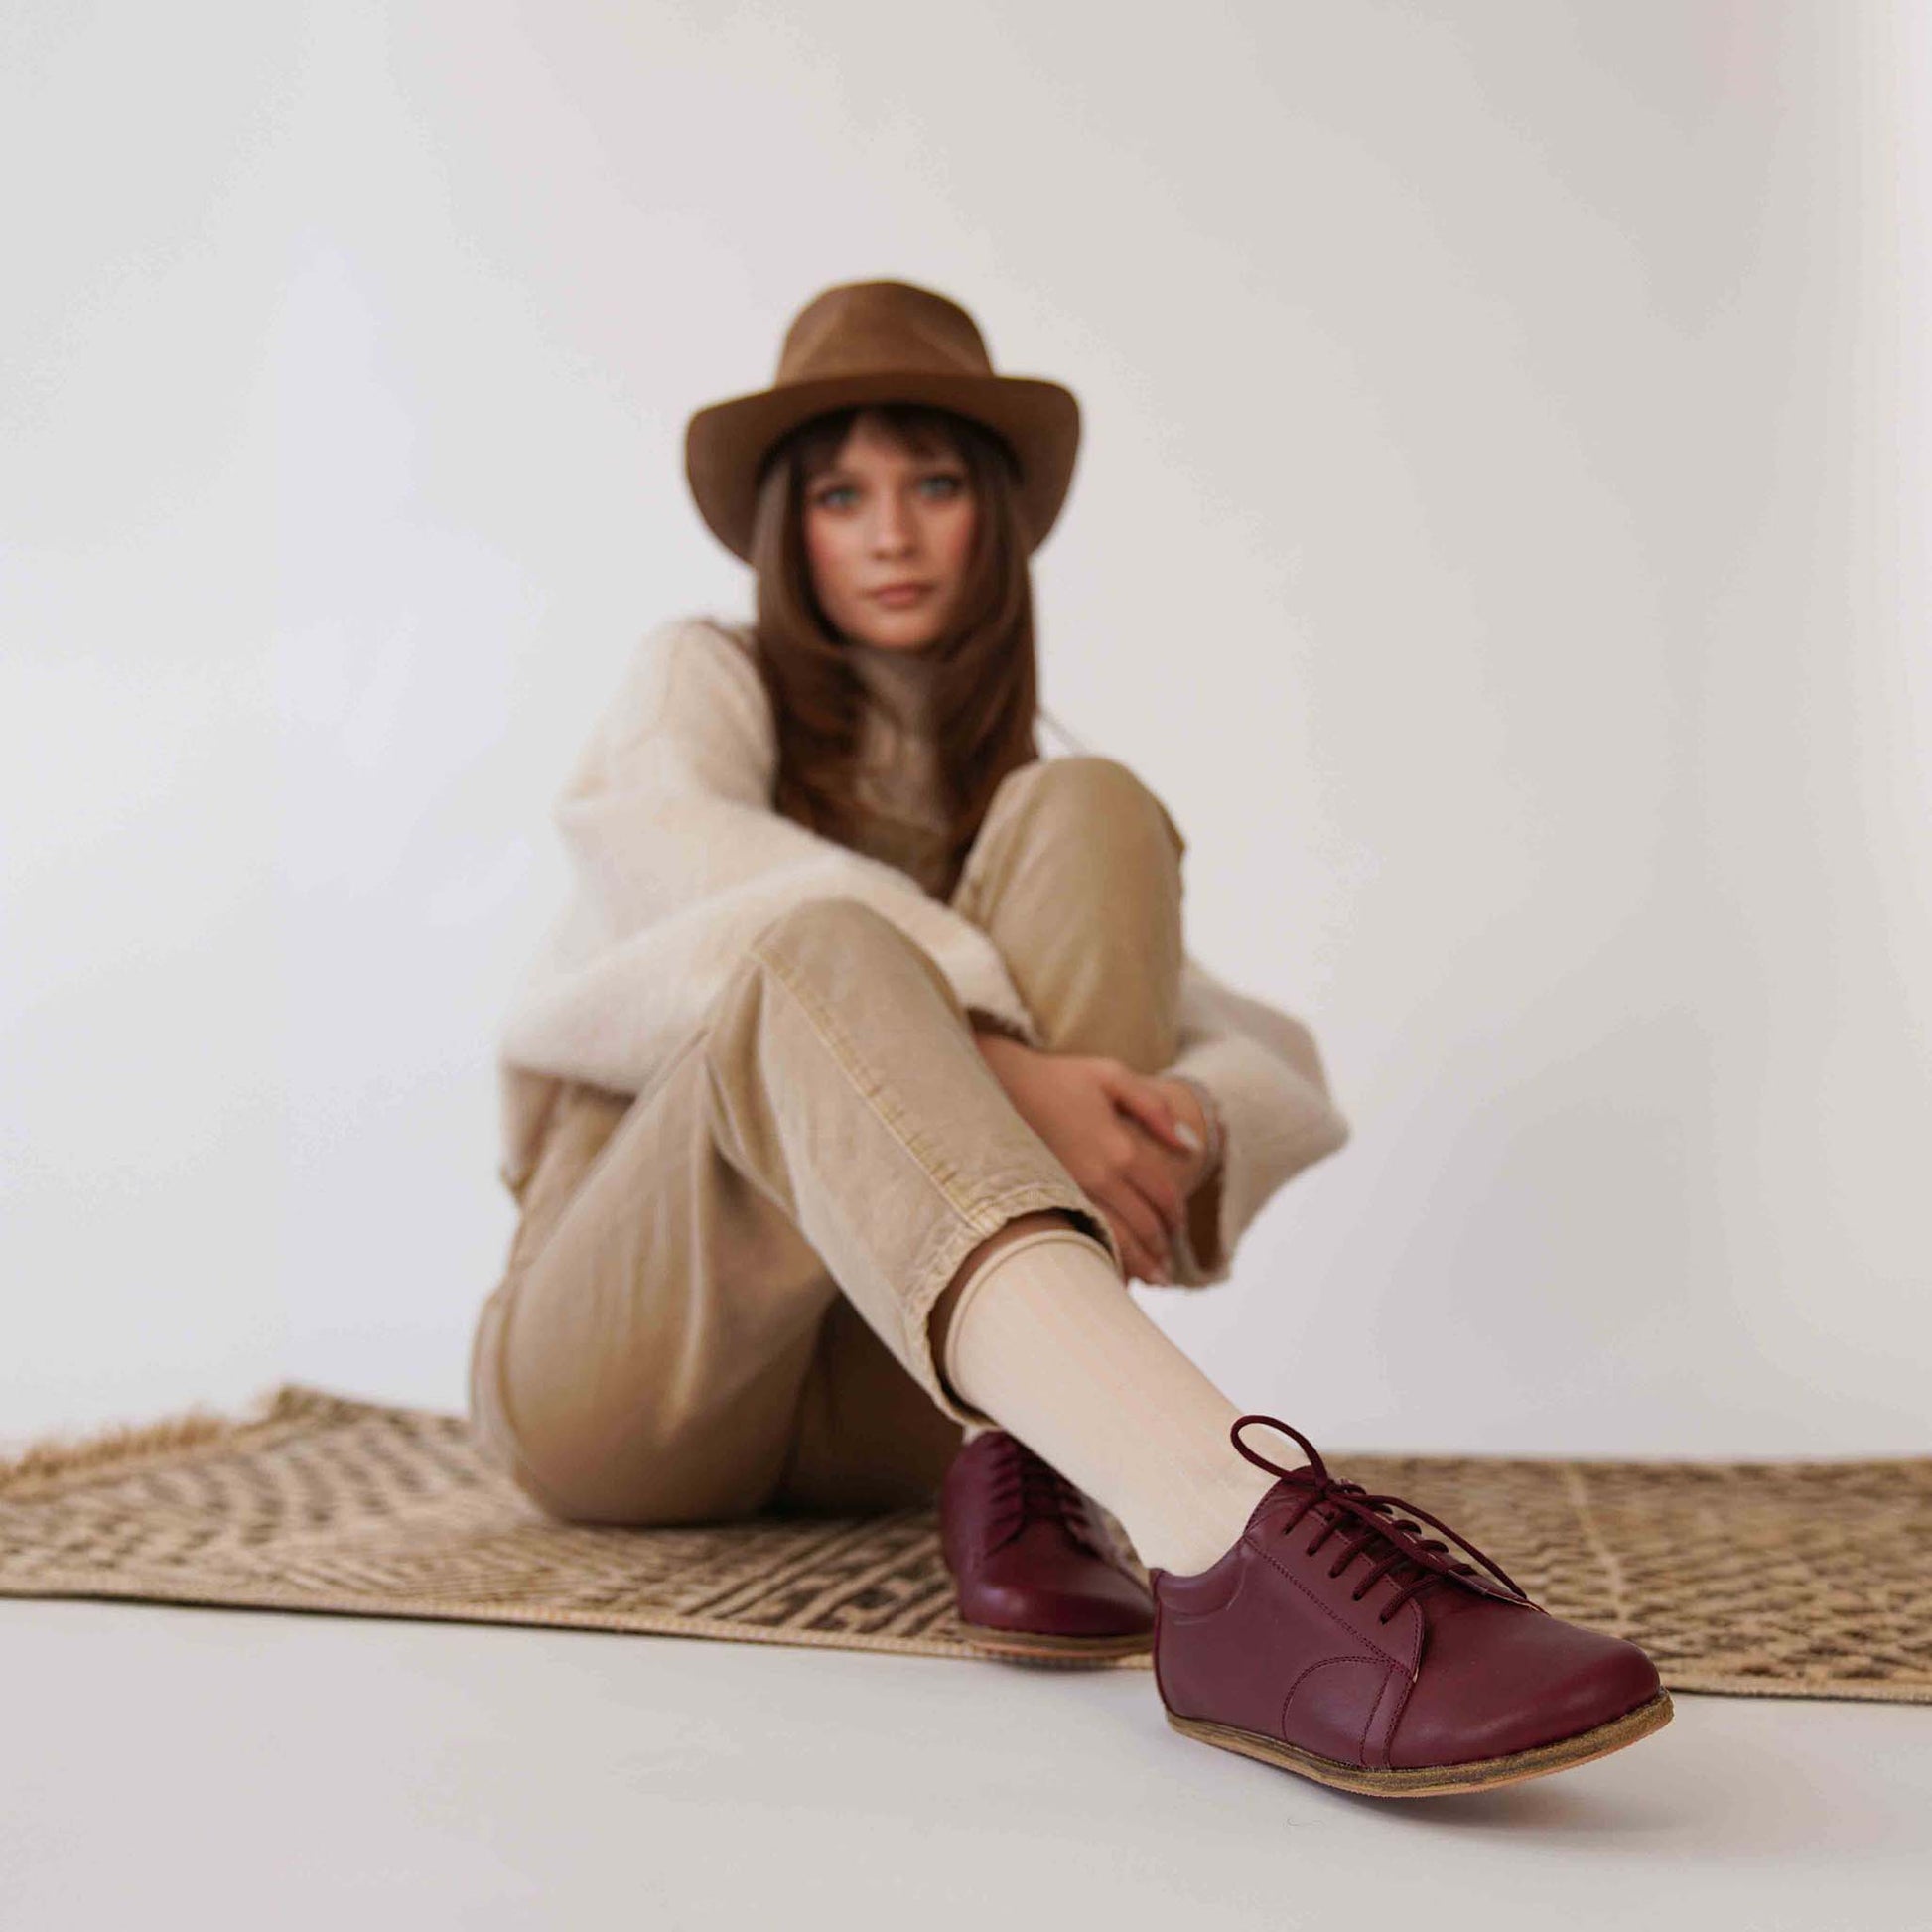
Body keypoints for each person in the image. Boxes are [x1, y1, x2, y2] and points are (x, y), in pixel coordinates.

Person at [467, 279, 1671, 1796]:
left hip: (891, 1407)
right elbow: (679, 878)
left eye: (935, 484)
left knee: (1094, 811)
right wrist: (994, 1051)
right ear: (789, 528)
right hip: (626, 1377)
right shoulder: (700, 680)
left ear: (996, 518)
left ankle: (1031, 1454)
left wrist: (1177, 1125)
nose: (891, 533)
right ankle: (1221, 1525)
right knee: (815, 949)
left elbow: (1245, 1050)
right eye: (841, 494)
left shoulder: (1022, 781)